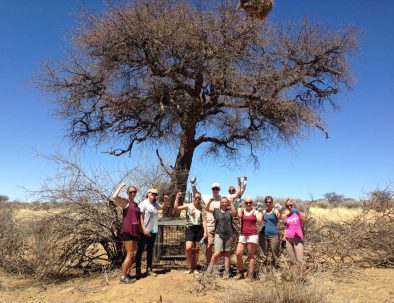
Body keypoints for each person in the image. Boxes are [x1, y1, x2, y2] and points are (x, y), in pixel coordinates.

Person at [191, 177, 244, 265]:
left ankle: (219, 266)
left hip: (222, 228)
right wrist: (193, 184)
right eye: (214, 188)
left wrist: (239, 183)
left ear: (219, 189)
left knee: (222, 250)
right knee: (208, 247)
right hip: (210, 227)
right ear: (211, 189)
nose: (215, 190)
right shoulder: (207, 197)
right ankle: (209, 266)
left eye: (217, 188)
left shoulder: (223, 198)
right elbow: (195, 193)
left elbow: (237, 194)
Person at [111, 182, 142, 283]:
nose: (132, 193)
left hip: (135, 232)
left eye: (134, 192)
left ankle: (127, 274)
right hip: (128, 231)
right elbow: (114, 197)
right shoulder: (126, 202)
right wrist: (120, 186)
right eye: (130, 192)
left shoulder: (136, 205)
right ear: (128, 193)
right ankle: (123, 277)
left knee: (131, 255)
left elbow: (138, 219)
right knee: (129, 254)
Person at [135, 188, 169, 279]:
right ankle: (138, 270)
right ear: (148, 193)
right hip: (144, 231)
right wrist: (143, 229)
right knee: (140, 250)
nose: (154, 195)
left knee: (150, 250)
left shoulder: (155, 203)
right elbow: (140, 218)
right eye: (152, 194)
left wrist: (165, 201)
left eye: (155, 194)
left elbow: (162, 207)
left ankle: (149, 269)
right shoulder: (143, 204)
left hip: (153, 230)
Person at [174, 191, 207, 274]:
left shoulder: (201, 208)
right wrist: (177, 197)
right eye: (196, 198)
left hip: (199, 229)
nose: (197, 199)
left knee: (197, 249)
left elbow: (204, 221)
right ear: (193, 198)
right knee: (188, 248)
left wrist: (205, 232)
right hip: (190, 229)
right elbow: (176, 208)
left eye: (199, 198)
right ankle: (189, 266)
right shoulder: (188, 206)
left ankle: (195, 267)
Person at [205, 196, 237, 279]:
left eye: (226, 202)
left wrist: (232, 203)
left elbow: (234, 213)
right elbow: (206, 209)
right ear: (220, 203)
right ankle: (209, 270)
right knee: (217, 253)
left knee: (227, 254)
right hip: (219, 234)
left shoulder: (229, 211)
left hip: (229, 234)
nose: (224, 203)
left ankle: (226, 272)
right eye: (222, 202)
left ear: (227, 203)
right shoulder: (216, 211)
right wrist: (209, 201)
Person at [235, 197, 262, 281]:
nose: (248, 204)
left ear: (252, 203)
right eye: (246, 202)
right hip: (243, 234)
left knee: (250, 255)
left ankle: (250, 275)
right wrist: (239, 204)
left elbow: (260, 219)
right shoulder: (242, 210)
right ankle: (241, 273)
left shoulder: (255, 211)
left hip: (252, 235)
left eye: (250, 202)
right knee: (238, 253)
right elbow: (239, 215)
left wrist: (259, 210)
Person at [259, 196, 283, 277]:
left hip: (274, 235)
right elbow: (259, 220)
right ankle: (263, 274)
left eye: (270, 202)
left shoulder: (275, 211)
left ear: (272, 203)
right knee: (263, 255)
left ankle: (277, 274)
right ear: (265, 203)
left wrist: (280, 210)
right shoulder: (263, 211)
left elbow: (280, 218)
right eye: (267, 202)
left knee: (275, 254)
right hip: (263, 235)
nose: (268, 203)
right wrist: (259, 210)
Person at [283, 199, 305, 276]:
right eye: (287, 206)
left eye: (291, 205)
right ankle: (294, 277)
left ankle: (301, 277)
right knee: (292, 260)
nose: (289, 207)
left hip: (298, 239)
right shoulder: (286, 217)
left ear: (294, 205)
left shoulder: (300, 213)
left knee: (300, 259)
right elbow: (286, 227)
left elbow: (304, 221)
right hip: (288, 239)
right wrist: (284, 238)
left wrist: (298, 213)